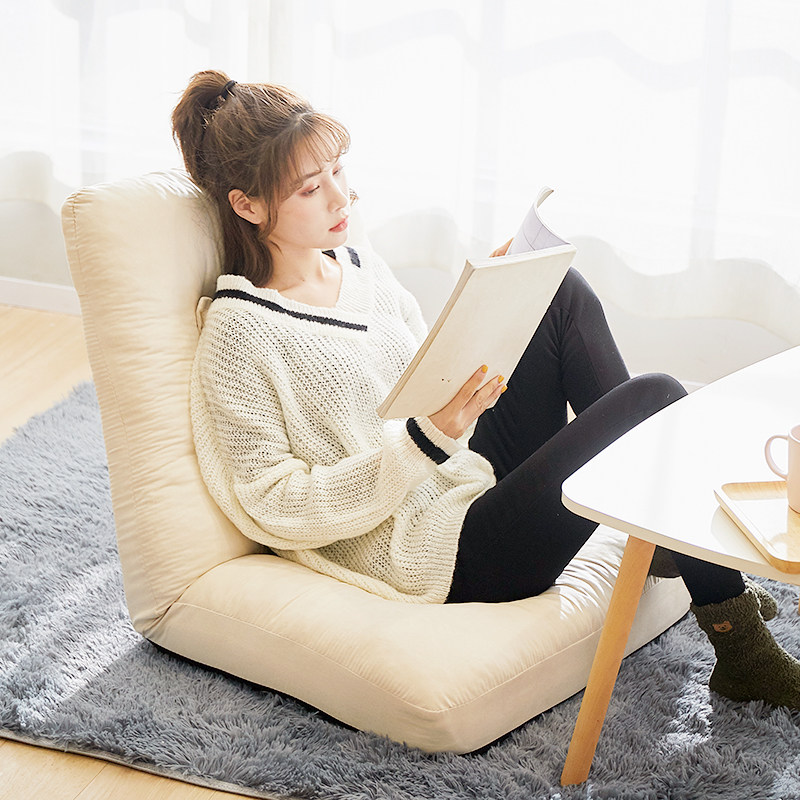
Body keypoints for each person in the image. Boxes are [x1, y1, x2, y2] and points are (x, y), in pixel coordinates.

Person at [173, 69, 800, 711]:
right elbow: (274, 503)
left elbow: (420, 383)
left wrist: (493, 307)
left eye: (338, 170)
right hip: (443, 550)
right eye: (311, 188)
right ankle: (739, 645)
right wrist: (424, 442)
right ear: (247, 206)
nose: (341, 197)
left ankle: (665, 536)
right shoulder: (238, 332)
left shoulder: (361, 271)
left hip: (463, 474)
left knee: (559, 291)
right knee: (656, 396)